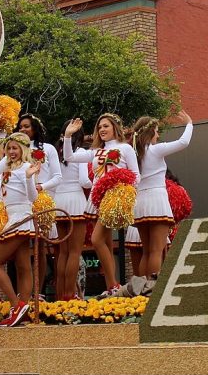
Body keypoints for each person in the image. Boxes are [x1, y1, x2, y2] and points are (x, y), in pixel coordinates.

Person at [62, 114, 140, 298]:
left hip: (115, 198)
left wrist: (125, 192)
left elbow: (136, 175)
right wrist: (67, 136)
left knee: (96, 240)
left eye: (106, 126)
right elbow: (70, 156)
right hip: (98, 199)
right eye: (99, 127)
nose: (102, 130)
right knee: (103, 242)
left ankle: (114, 283)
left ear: (115, 127)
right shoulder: (95, 151)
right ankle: (112, 285)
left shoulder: (125, 148)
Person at [0, 131, 41, 327]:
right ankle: (23, 308)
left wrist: (28, 178)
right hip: (11, 217)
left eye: (15, 148)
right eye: (8, 148)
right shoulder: (6, 164)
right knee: (23, 265)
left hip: (20, 217)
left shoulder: (27, 167)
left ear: (23, 149)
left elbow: (33, 198)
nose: (11, 151)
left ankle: (16, 305)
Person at [131, 110, 193, 279]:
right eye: (157, 131)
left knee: (146, 251)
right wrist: (189, 123)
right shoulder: (155, 150)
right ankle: (152, 288)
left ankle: (142, 289)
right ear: (150, 132)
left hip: (140, 203)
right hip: (157, 201)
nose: (158, 135)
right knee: (157, 251)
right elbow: (183, 142)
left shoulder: (133, 153)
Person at [14, 114, 62, 299]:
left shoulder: (48, 149)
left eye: (27, 126)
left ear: (35, 128)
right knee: (22, 247)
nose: (23, 129)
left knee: (40, 246)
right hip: (21, 202)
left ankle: (38, 291)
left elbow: (58, 177)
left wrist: (41, 187)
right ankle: (24, 293)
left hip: (42, 199)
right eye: (20, 127)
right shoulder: (15, 150)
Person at [52, 120, 92, 300]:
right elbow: (84, 180)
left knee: (63, 252)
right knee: (75, 251)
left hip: (58, 202)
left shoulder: (56, 152)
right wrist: (98, 184)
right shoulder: (81, 152)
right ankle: (70, 294)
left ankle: (60, 294)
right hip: (76, 201)